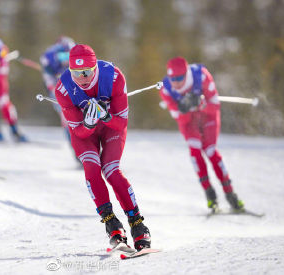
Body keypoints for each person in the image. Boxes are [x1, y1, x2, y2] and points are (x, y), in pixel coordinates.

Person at [54, 44, 151, 251]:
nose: (82, 78)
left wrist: (106, 116)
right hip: (85, 134)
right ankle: (112, 225)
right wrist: (88, 124)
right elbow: (78, 132)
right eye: (75, 73)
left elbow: (121, 123)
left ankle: (137, 224)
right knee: (91, 166)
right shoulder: (62, 88)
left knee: (111, 170)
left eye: (86, 72)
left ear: (95, 68)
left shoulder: (113, 76)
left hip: (111, 128)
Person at [159, 56, 244, 211]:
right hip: (189, 121)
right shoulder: (166, 89)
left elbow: (215, 106)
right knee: (195, 150)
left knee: (210, 150)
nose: (176, 82)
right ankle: (210, 195)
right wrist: (184, 108)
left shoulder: (202, 76)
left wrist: (201, 103)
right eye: (172, 78)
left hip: (208, 117)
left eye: (179, 78)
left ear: (186, 74)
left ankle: (231, 195)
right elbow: (180, 119)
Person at [39, 36, 75, 143]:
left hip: (74, 88)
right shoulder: (49, 60)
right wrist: (54, 87)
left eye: (68, 56)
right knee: (65, 116)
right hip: (57, 88)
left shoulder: (78, 59)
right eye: (62, 56)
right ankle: (72, 143)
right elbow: (48, 80)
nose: (66, 60)